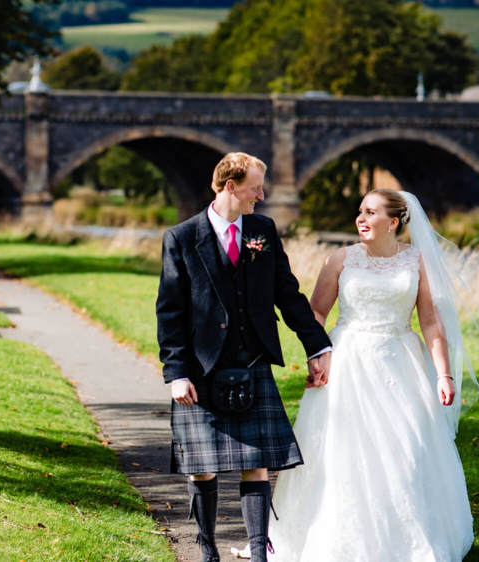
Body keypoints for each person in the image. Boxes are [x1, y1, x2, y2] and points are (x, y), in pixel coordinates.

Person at [267, 188, 479, 562]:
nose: (360, 219)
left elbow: (430, 322)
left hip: (401, 362)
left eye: (370, 212)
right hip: (348, 360)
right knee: (343, 451)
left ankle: (408, 542)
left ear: (394, 222)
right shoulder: (340, 259)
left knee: (407, 449)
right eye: (359, 212)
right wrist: (317, 356)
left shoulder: (416, 262)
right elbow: (316, 314)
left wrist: (444, 374)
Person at [156, 152, 333, 562]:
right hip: (201, 368)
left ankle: (258, 553)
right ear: (231, 186)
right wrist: (176, 372)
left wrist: (316, 345)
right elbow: (170, 312)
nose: (262, 194)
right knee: (203, 466)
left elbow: (287, 293)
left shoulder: (262, 230)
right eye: (256, 187)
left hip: (252, 361)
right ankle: (207, 549)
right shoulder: (182, 237)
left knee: (256, 462)